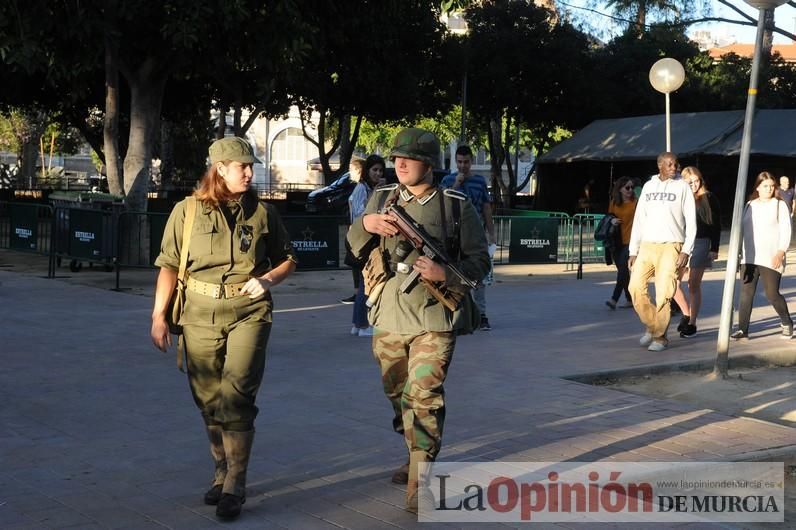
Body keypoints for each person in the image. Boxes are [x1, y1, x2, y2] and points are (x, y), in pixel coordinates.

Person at [150, 137, 297, 520]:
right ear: (220, 169)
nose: (250, 173)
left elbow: (288, 260)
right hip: (198, 313)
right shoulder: (187, 212)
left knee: (237, 396)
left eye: (251, 166)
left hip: (250, 312)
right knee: (208, 399)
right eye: (242, 167)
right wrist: (158, 316)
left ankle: (236, 482)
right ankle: (221, 468)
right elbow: (167, 264)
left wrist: (268, 280)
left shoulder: (263, 213)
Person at [347, 128, 490, 513]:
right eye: (396, 158)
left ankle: (420, 482)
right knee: (399, 395)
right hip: (389, 311)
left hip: (434, 317)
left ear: (429, 164)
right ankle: (414, 451)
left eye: (409, 158)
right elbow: (354, 246)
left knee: (423, 397)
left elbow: (481, 262)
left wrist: (447, 273)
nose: (400, 164)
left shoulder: (455, 205)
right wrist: (366, 225)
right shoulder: (380, 198)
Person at [628, 152, 696, 352]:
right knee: (635, 287)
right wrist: (633, 250)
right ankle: (652, 326)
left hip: (671, 245)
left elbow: (691, 221)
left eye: (675, 164)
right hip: (647, 245)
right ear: (659, 165)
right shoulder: (649, 187)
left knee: (664, 291)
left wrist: (686, 250)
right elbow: (639, 219)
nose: (674, 167)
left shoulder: (682, 186)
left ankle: (660, 337)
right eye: (669, 164)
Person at [731, 171, 793, 340]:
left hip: (771, 256)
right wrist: (737, 253)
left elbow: (786, 230)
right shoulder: (749, 205)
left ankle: (786, 322)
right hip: (749, 257)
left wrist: (780, 252)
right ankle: (743, 330)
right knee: (745, 294)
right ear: (757, 187)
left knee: (772, 293)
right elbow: (741, 230)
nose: (769, 189)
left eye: (772, 186)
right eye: (765, 186)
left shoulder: (779, 205)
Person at [440, 145, 496, 331]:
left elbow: (486, 208)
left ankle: (481, 314)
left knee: (478, 276)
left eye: (466, 162)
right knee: (456, 275)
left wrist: (492, 233)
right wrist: (456, 184)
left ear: (471, 162)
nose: (463, 165)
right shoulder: (448, 180)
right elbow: (442, 204)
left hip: (476, 236)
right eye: (459, 162)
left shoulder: (479, 182)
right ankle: (458, 313)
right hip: (454, 237)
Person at [671, 167, 721, 338]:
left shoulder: (708, 198)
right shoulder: (679, 196)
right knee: (672, 283)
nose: (693, 184)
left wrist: (714, 248)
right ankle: (686, 313)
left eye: (696, 180)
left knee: (693, 284)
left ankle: (692, 323)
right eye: (689, 181)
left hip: (701, 242)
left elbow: (716, 225)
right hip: (681, 243)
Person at [348, 154, 385, 337]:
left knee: (365, 281)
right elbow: (360, 215)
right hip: (363, 241)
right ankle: (363, 324)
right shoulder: (362, 189)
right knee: (366, 282)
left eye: (380, 170)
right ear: (367, 171)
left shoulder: (367, 188)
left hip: (366, 240)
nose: (377, 174)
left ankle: (357, 323)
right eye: (374, 170)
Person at [605, 176, 637, 310]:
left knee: (623, 270)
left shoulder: (636, 202)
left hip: (630, 240)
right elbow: (608, 216)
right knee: (622, 272)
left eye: (631, 187)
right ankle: (630, 299)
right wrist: (612, 220)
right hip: (616, 240)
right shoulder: (614, 202)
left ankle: (614, 299)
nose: (630, 190)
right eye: (627, 187)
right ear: (620, 189)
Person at [341, 159, 366, 305]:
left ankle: (359, 292)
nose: (349, 172)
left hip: (357, 229)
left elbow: (360, 210)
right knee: (354, 262)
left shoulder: (361, 187)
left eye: (351, 169)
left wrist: (355, 226)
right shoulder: (358, 187)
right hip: (355, 227)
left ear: (358, 171)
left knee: (356, 261)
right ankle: (358, 291)